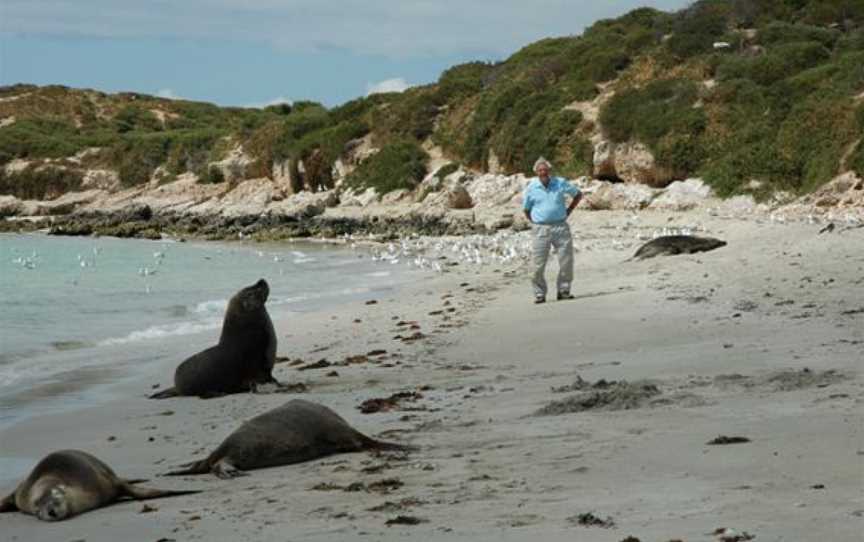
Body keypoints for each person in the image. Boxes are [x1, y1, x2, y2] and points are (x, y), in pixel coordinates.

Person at [522, 157, 582, 304]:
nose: (543, 172)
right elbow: (526, 209)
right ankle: (539, 293)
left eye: (545, 169)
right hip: (540, 229)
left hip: (561, 226)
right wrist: (537, 222)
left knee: (566, 261)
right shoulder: (531, 187)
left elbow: (578, 194)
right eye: (540, 170)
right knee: (538, 264)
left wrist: (568, 211)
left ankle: (564, 290)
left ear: (549, 170)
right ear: (536, 172)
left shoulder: (560, 182)